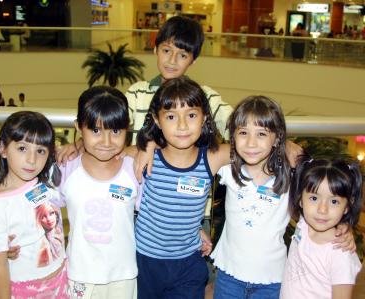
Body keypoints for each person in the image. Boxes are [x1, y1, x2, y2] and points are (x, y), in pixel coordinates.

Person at [209, 96, 356, 299]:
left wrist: (343, 225)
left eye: (261, 134)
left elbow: (326, 194)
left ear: (277, 138)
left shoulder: (290, 176)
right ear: (233, 136)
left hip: (271, 282)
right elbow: (190, 157)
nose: (251, 143)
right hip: (228, 277)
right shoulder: (228, 169)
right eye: (243, 133)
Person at [135, 77, 231, 299]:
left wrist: (284, 144)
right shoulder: (147, 157)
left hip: (188, 262)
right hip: (145, 261)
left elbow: (251, 147)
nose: (182, 125)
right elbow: (107, 151)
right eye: (170, 116)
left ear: (204, 117)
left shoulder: (211, 158)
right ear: (157, 121)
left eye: (191, 115)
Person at [54, 86, 141, 299]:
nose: (106, 142)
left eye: (115, 131)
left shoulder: (134, 169)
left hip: (123, 276)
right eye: (95, 130)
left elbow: (156, 211)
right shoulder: (66, 168)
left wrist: (193, 230)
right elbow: (43, 211)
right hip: (80, 275)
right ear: (78, 127)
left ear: (127, 129)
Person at [0, 111, 68, 298]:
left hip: (63, 281)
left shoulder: (46, 180)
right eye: (22, 148)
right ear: (2, 148)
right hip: (27, 292)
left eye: (40, 151)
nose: (32, 160)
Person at [126, 15, 233, 145]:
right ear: (155, 50)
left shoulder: (205, 96)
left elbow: (238, 126)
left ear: (193, 60)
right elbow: (109, 125)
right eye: (166, 50)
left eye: (182, 55)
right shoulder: (137, 93)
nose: (172, 61)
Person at [280, 158, 362, 299]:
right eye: (314, 198)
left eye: (334, 201)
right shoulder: (304, 223)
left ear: (347, 206)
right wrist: (346, 225)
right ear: (300, 198)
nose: (322, 210)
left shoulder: (340, 253)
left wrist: (346, 225)